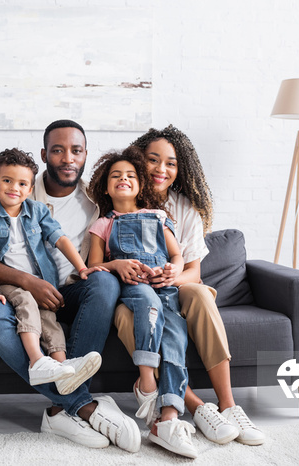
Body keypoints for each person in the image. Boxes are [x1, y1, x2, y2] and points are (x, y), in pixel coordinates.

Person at [0, 120, 141, 452]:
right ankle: (78, 406)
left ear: (86, 155)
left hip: (70, 292)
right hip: (21, 292)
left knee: (103, 281)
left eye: (76, 150)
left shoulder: (97, 202)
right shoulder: (20, 190)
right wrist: (27, 280)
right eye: (58, 150)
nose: (67, 158)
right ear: (45, 155)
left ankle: (65, 405)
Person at [113, 125, 266, 446]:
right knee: (133, 316)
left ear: (180, 170)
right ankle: (196, 406)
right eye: (153, 160)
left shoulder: (185, 209)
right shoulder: (122, 197)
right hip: (136, 293)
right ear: (138, 160)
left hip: (177, 286)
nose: (161, 169)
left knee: (197, 292)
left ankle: (229, 405)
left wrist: (171, 276)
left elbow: (193, 271)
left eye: (170, 163)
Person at [86, 147, 197, 459]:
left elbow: (176, 254)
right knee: (149, 305)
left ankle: (171, 414)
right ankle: (146, 379)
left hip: (165, 286)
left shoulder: (159, 217)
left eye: (130, 175)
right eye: (115, 175)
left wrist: (175, 268)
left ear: (141, 184)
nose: (123, 178)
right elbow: (93, 266)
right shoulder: (102, 224)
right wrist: (116, 265)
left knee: (175, 335)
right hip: (134, 286)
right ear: (105, 187)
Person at [0, 148, 104, 395]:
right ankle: (37, 362)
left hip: (42, 279)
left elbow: (61, 240)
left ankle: (63, 368)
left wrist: (82, 268)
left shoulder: (38, 211)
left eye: (22, 183)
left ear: (30, 187)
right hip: (11, 284)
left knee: (49, 318)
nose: (14, 187)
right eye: (7, 180)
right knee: (25, 302)